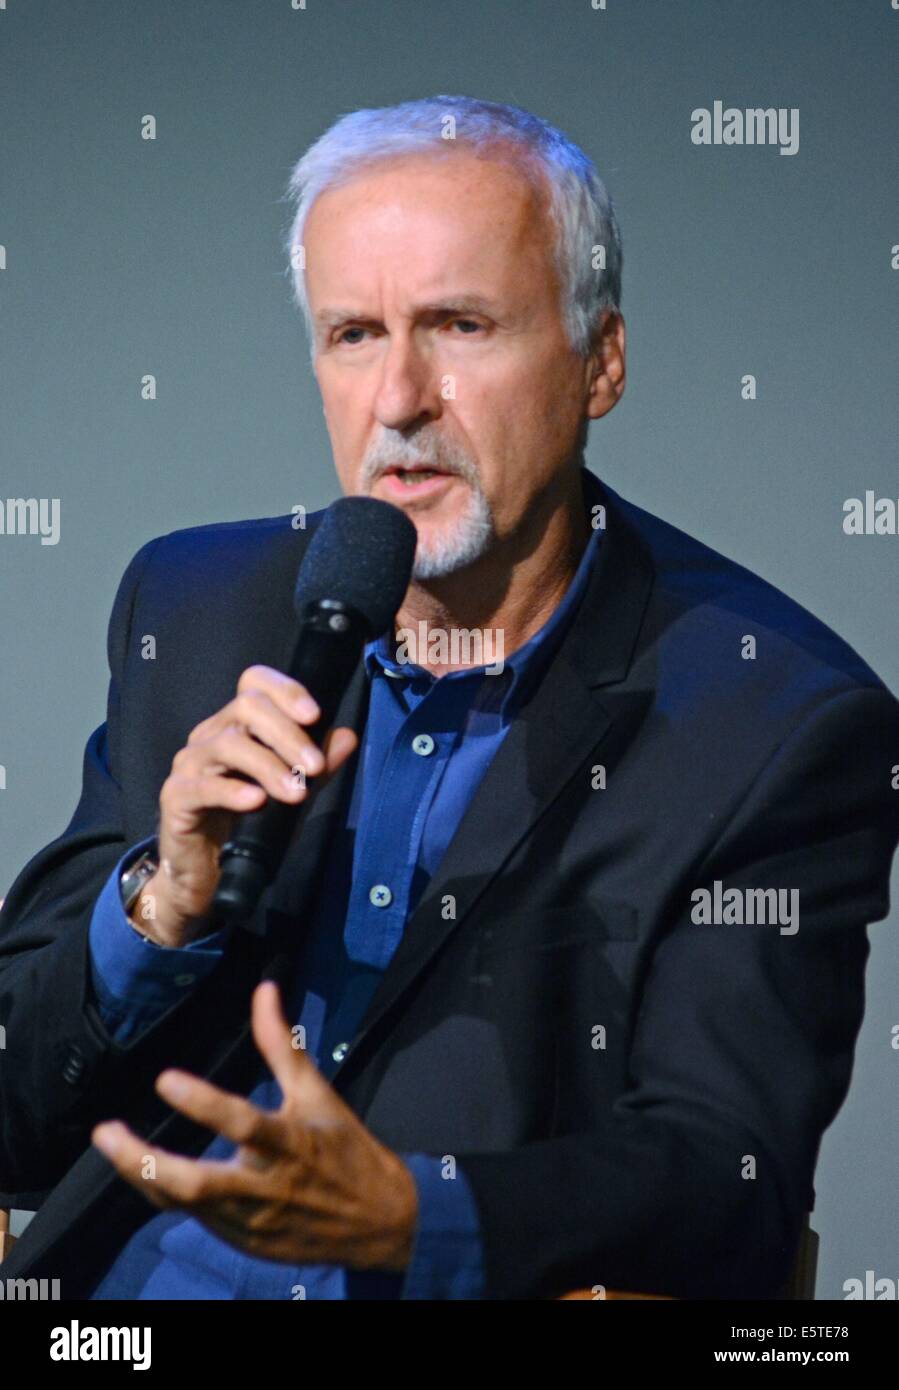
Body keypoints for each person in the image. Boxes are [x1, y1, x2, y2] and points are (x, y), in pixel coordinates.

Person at [1, 95, 897, 1301]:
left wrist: (417, 1218)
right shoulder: (198, 606)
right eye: (352, 335)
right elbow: (17, 1108)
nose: (399, 398)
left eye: (459, 325)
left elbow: (724, 1184)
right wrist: (159, 909)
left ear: (599, 362)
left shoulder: (774, 722)